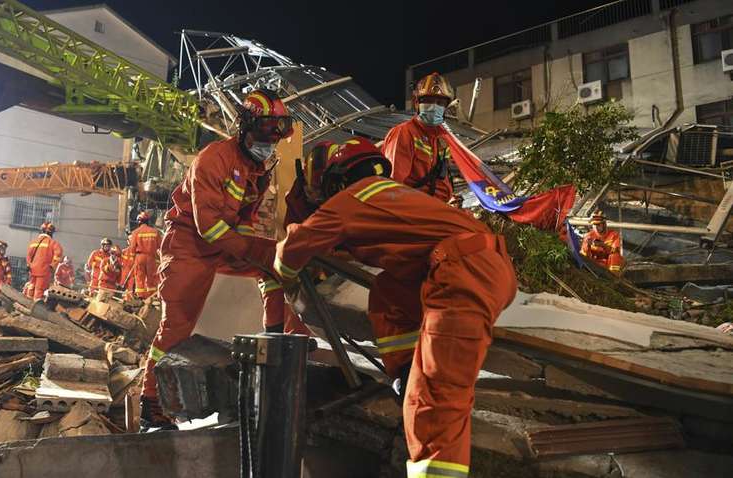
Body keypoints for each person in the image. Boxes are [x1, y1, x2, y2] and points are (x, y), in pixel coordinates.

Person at [272, 137, 516, 478]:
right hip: (476, 265)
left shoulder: (354, 197)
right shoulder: (394, 197)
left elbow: (298, 244)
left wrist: (284, 275)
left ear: (339, 180)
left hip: (464, 273)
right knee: (389, 292)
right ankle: (403, 371)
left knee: (433, 396)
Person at [139, 88, 299, 429]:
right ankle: (151, 404)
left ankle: (281, 346)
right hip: (190, 246)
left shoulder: (259, 167)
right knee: (177, 326)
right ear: (245, 127)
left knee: (275, 267)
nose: (270, 142)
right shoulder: (214, 159)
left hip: (223, 245)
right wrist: (253, 249)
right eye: (264, 132)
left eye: (276, 134)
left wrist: (262, 252)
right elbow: (208, 227)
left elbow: (243, 221)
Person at [382, 72, 462, 205]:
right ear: (416, 103)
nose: (434, 106)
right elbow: (392, 186)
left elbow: (442, 180)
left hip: (438, 207)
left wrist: (450, 198)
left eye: (440, 102)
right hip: (415, 209)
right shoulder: (404, 133)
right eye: (428, 100)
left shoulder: (441, 139)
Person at [26, 222, 63, 300]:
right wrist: (52, 266)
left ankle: (27, 302)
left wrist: (29, 265)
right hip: (44, 270)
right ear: (51, 232)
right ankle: (36, 306)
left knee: (31, 286)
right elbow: (58, 255)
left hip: (33, 269)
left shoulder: (33, 242)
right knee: (40, 289)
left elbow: (29, 256)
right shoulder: (53, 243)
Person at [128, 212, 161, 299]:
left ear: (139, 222)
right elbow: (160, 246)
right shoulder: (155, 232)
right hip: (151, 257)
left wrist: (132, 260)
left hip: (140, 257)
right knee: (151, 277)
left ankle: (141, 297)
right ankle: (151, 296)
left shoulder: (135, 232)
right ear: (148, 221)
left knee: (139, 276)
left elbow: (132, 248)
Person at [580, 210, 623, 275]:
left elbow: (616, 251)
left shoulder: (614, 235)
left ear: (604, 224)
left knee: (615, 256)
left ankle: (613, 277)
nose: (596, 227)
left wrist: (603, 245)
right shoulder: (588, 236)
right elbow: (583, 255)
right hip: (595, 265)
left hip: (609, 264)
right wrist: (587, 246)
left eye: (598, 224)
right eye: (594, 224)